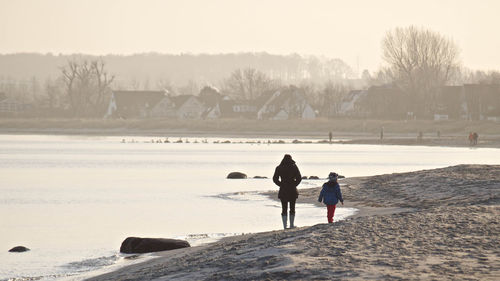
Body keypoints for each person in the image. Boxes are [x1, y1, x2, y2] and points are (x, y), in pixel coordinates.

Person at [273, 154, 302, 229]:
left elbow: (275, 179)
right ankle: (291, 225)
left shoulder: (279, 167)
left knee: (284, 208)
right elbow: (299, 178)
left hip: (283, 189)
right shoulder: (294, 167)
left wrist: (281, 184)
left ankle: (285, 226)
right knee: (292, 207)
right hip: (292, 189)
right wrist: (295, 184)